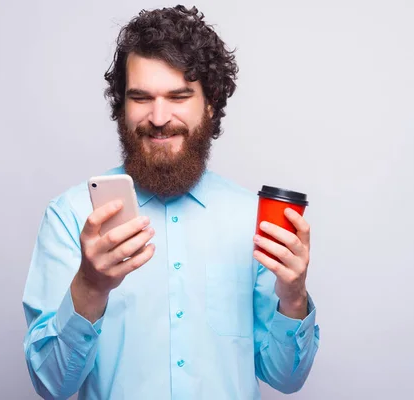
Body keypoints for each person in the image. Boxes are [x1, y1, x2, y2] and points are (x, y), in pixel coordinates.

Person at [23, 5, 319, 399]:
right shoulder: (71, 216)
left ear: (210, 104)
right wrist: (90, 288)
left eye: (178, 96)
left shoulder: (254, 220)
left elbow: (286, 377)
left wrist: (294, 295)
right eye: (141, 98)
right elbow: (51, 385)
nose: (158, 117)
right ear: (121, 106)